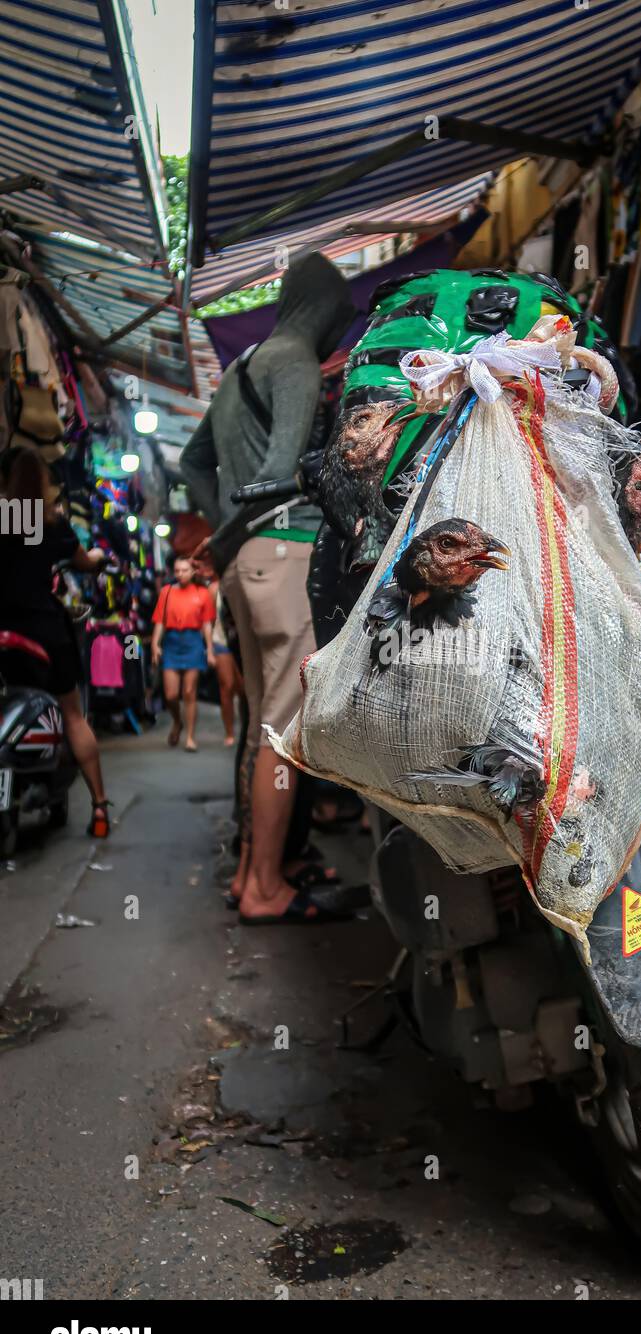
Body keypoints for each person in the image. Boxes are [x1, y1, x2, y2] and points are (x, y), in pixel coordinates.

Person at [181, 252, 355, 925]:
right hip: (285, 555)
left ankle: (255, 872)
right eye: (340, 319)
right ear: (322, 309)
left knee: (262, 723)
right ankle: (263, 889)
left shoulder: (238, 369)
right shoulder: (297, 363)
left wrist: (226, 517)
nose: (340, 334)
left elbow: (194, 462)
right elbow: (284, 470)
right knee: (284, 731)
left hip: (244, 560)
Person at [0, 446, 111, 837]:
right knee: (73, 715)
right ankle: (99, 808)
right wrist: (98, 557)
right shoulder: (52, 520)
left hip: (5, 629)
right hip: (45, 629)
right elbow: (84, 561)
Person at [150, 557, 216, 752]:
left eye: (184, 570)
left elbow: (206, 625)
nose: (180, 574)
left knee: (189, 692)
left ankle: (190, 737)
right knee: (170, 695)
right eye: (177, 570)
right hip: (171, 642)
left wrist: (210, 650)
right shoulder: (167, 591)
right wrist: (155, 644)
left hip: (193, 642)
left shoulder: (202, 593)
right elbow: (159, 621)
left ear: (193, 571)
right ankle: (177, 722)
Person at [208, 576, 242, 746]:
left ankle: (247, 728)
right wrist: (209, 649)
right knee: (226, 687)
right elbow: (208, 621)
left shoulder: (246, 582)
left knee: (244, 690)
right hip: (221, 641)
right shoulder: (215, 589)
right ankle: (229, 732)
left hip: (245, 643)